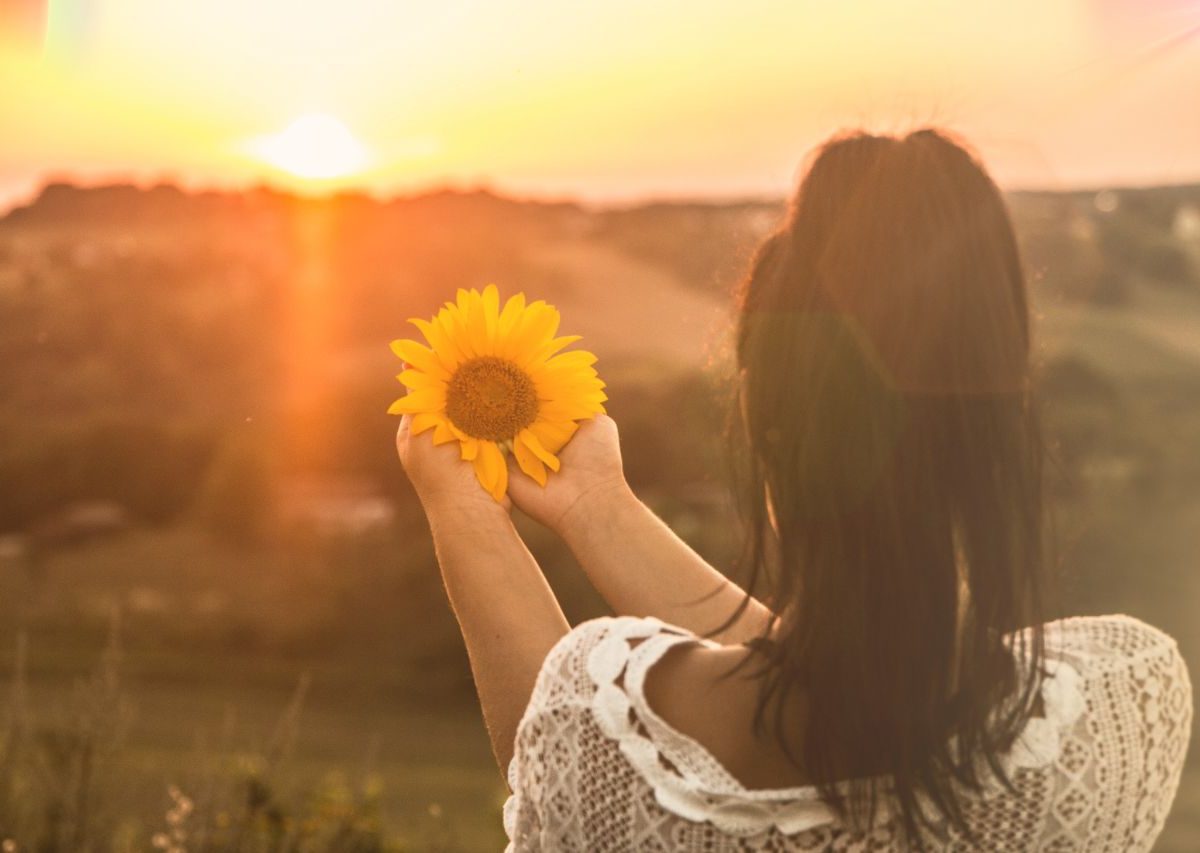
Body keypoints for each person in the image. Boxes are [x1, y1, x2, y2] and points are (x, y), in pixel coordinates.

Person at [394, 128, 1193, 851]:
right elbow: (851, 676)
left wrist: (460, 505)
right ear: (1006, 417)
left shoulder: (605, 762)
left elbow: (553, 755)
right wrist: (597, 508)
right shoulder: (1111, 725)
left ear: (763, 416)